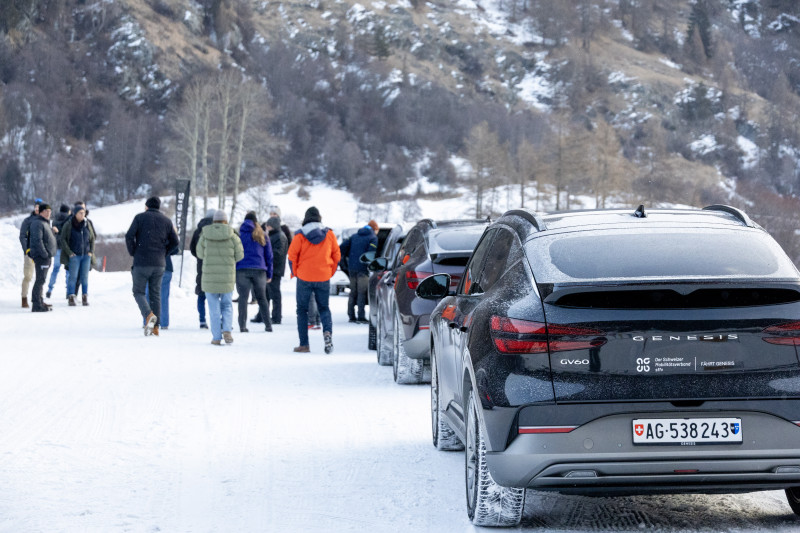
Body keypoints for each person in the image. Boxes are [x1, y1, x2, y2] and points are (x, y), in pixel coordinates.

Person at [287, 206, 340, 354]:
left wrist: (296, 273)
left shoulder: (300, 235)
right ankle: (327, 333)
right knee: (324, 308)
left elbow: (292, 256)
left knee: (302, 310)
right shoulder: (329, 234)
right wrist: (330, 272)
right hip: (323, 276)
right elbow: (336, 255)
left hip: (304, 277)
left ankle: (304, 344)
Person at [125, 196, 179, 336]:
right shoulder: (166, 221)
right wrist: (164, 252)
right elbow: (175, 242)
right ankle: (155, 328)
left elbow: (129, 236)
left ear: (146, 206)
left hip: (142, 262)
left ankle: (149, 315)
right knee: (156, 295)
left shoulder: (139, 218)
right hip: (159, 264)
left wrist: (134, 252)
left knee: (138, 292)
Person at [197, 209, 244, 345]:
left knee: (214, 309)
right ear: (226, 220)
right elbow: (240, 255)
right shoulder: (233, 236)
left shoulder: (205, 235)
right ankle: (227, 330)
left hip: (209, 278)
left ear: (214, 220)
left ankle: (216, 338)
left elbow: (200, 254)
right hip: (227, 277)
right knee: (227, 305)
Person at [236, 212, 274, 333]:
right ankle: (268, 325)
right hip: (260, 270)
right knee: (262, 298)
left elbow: (234, 254)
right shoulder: (262, 235)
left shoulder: (238, 235)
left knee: (243, 298)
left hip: (242, 269)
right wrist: (269, 273)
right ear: (255, 222)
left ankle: (242, 326)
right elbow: (269, 256)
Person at [251, 215, 288, 326]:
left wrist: (266, 255)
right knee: (265, 293)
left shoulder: (280, 236)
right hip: (269, 269)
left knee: (274, 294)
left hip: (275, 270)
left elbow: (278, 254)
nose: (266, 227)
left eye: (268, 225)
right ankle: (262, 315)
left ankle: (276, 317)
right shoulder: (272, 235)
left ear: (273, 226)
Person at [340, 220, 379, 323]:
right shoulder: (373, 238)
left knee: (353, 292)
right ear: (375, 229)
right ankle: (361, 316)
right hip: (363, 269)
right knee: (362, 292)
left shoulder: (354, 236)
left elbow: (342, 248)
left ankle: (351, 316)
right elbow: (371, 254)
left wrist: (348, 258)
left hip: (352, 268)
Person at [61, 204, 95, 306]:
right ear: (75, 214)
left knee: (84, 277)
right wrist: (69, 252)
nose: (82, 215)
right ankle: (71, 297)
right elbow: (63, 239)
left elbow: (92, 238)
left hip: (86, 256)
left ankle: (85, 296)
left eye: (84, 213)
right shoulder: (69, 224)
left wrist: (91, 251)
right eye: (80, 213)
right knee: (73, 277)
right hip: (75, 256)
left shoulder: (87, 224)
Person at [27, 203, 57, 312]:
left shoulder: (45, 222)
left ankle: (40, 301)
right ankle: (36, 304)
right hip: (41, 257)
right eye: (46, 211)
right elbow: (37, 240)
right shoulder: (37, 223)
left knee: (42, 280)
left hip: (46, 256)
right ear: (40, 212)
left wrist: (53, 232)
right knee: (40, 280)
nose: (48, 213)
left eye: (50, 211)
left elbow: (46, 238)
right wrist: (45, 254)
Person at [190, 209, 215, 329]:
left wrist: (200, 257)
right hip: (215, 265)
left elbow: (192, 248)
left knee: (201, 293)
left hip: (202, 265)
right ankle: (217, 319)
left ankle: (202, 320)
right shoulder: (218, 230)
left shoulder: (198, 231)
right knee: (215, 294)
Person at [18, 198, 41, 308]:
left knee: (40, 278)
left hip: (41, 253)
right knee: (28, 276)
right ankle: (24, 298)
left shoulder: (45, 221)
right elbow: (22, 236)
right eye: (36, 207)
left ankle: (38, 299)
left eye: (39, 207)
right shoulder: (27, 221)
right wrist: (27, 250)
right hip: (30, 253)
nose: (37, 209)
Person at [46, 204, 71, 299]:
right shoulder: (69, 220)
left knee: (55, 269)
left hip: (56, 247)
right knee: (68, 270)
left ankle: (49, 290)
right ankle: (68, 292)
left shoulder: (55, 220)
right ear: (67, 211)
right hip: (66, 248)